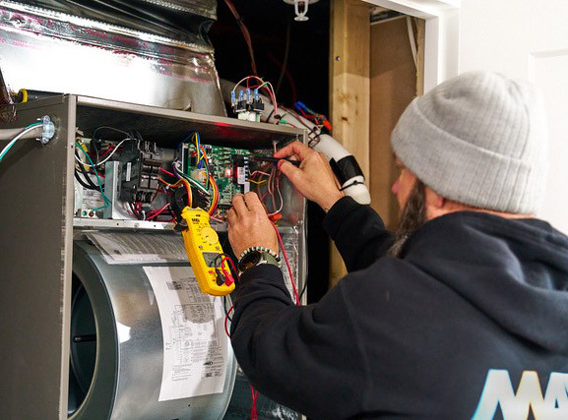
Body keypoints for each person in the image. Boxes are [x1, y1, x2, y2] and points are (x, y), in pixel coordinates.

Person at [225, 71, 568, 419]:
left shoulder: (386, 313)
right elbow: (426, 278)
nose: (395, 188)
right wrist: (336, 203)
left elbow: (268, 351)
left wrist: (258, 259)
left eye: (404, 171)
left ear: (440, 188)